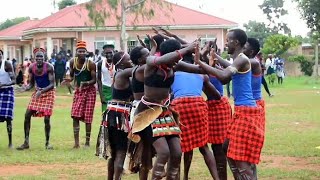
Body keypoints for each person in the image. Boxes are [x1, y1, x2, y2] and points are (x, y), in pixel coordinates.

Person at [195, 29, 264, 179]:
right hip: (241, 111)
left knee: (239, 158)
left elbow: (224, 77)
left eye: (228, 40)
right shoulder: (239, 59)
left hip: (247, 113)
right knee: (227, 148)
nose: (226, 43)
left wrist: (200, 62)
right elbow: (227, 70)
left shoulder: (242, 59)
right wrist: (214, 57)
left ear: (236, 42)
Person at [129, 39, 198, 180]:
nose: (176, 62)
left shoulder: (174, 65)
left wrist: (203, 60)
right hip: (147, 114)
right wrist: (185, 49)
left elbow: (197, 69)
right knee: (163, 152)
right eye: (175, 57)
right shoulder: (151, 63)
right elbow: (162, 59)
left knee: (177, 152)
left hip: (165, 113)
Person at [171, 49, 221, 180]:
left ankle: (184, 176)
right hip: (198, 106)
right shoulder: (202, 76)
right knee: (204, 147)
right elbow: (216, 95)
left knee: (179, 148)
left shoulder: (173, 73)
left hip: (179, 108)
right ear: (194, 61)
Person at [100, 51, 133, 180]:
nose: (131, 61)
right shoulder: (123, 74)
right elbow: (143, 67)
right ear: (121, 62)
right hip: (120, 116)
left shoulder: (120, 74)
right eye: (129, 59)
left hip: (112, 115)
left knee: (114, 153)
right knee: (120, 151)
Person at [16, 48, 55, 150]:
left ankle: (47, 143)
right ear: (34, 58)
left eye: (41, 56)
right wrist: (25, 88)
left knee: (47, 118)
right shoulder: (32, 68)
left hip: (48, 92)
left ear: (44, 57)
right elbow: (32, 84)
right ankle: (26, 142)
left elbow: (52, 84)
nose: (39, 58)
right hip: (38, 92)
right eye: (37, 57)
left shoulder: (49, 67)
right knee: (27, 114)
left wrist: (41, 91)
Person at [64, 41, 97, 148]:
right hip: (79, 91)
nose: (82, 53)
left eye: (83, 51)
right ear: (76, 52)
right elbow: (73, 76)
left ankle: (87, 143)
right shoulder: (72, 62)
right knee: (75, 115)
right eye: (80, 51)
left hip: (90, 91)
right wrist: (68, 80)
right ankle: (76, 143)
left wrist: (86, 83)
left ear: (86, 52)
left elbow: (94, 80)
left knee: (88, 117)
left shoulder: (91, 64)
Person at [244, 37, 266, 157]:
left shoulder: (253, 62)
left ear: (251, 51)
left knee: (249, 147)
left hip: (254, 105)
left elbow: (229, 69)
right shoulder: (247, 61)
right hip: (249, 104)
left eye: (245, 46)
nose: (242, 48)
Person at [0, 50, 16, 148]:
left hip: (7, 91)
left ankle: (10, 142)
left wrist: (4, 84)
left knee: (8, 118)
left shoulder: (7, 64)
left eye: (0, 55)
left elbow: (14, 80)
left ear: (2, 55)